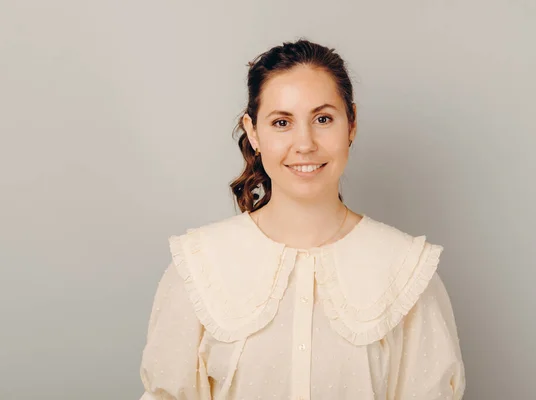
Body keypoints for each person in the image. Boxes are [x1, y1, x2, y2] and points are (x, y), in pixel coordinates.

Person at [138, 38, 466, 400]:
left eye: (323, 119)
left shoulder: (407, 271)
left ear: (351, 124)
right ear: (253, 131)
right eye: (282, 122)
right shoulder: (198, 267)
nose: (305, 143)